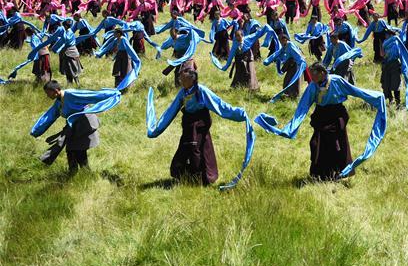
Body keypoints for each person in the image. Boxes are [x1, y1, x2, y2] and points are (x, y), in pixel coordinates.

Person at [254, 62, 387, 181]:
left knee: (336, 144)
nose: (311, 77)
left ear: (322, 73)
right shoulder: (313, 86)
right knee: (316, 143)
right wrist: (292, 126)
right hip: (321, 115)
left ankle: (338, 173)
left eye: (314, 74)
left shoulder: (336, 81)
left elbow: (355, 91)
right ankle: (321, 174)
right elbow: (303, 106)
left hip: (336, 115)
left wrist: (376, 97)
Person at [146, 59, 256, 190]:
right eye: (180, 77)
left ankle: (202, 178)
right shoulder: (182, 93)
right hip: (188, 124)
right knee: (185, 148)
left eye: (182, 77)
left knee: (198, 149)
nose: (180, 80)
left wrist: (238, 113)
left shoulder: (202, 91)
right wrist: (157, 130)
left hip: (200, 124)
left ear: (191, 77)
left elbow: (219, 105)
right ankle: (186, 176)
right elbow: (170, 111)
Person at [30, 79, 123, 172]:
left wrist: (112, 94)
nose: (47, 96)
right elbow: (49, 116)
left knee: (79, 149)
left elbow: (91, 95)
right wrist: (36, 130)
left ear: (56, 91)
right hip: (74, 125)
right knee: (70, 150)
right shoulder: (58, 102)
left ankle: (86, 172)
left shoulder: (70, 94)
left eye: (48, 93)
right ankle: (73, 172)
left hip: (85, 123)